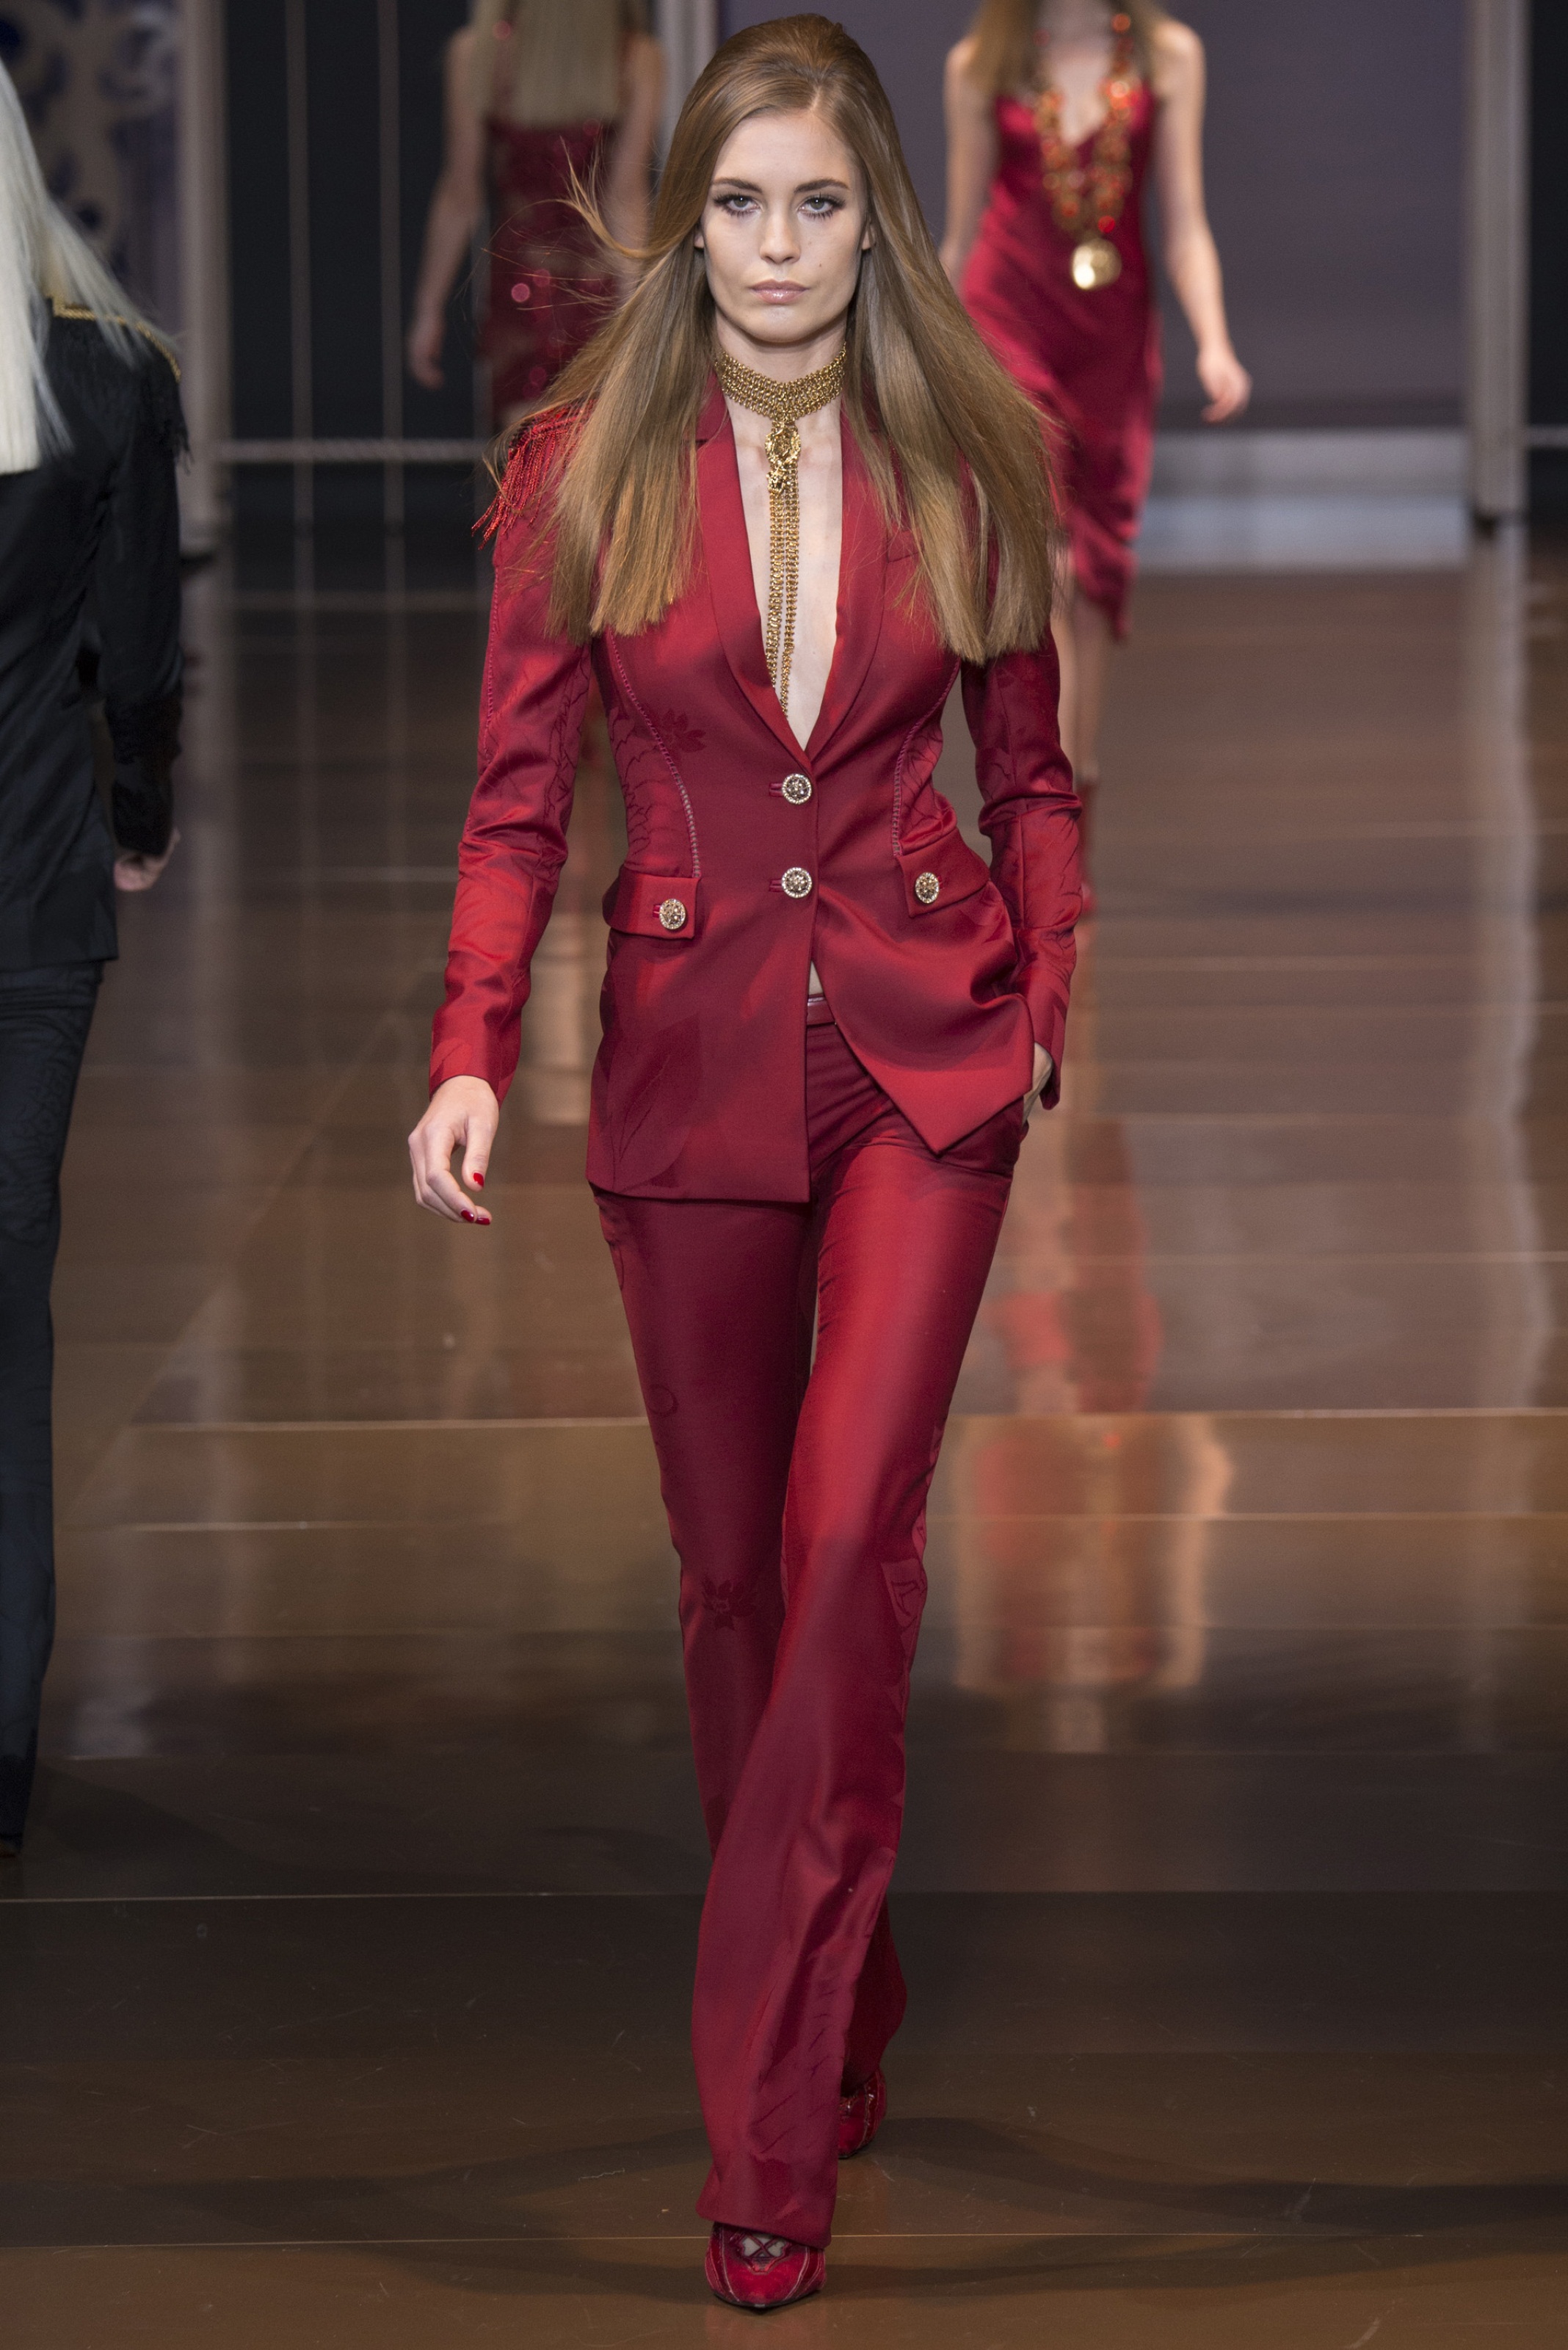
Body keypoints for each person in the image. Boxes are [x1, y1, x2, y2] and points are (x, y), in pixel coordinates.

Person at [409, 13, 1081, 2310]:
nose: (777, 247)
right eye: (737, 204)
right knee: (731, 1591)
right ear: (681, 220)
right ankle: (838, 1975)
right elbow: (518, 798)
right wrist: (470, 1044)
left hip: (919, 1066)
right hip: (687, 1072)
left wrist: (1046, 989)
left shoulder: (971, 448)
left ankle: (767, 2123)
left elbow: (1033, 772)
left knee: (847, 1536)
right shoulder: (578, 463)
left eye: (817, 204)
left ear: (874, 222)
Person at [0, 62, 183, 1858]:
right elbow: (139, 653)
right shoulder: (106, 374)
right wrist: (143, 811)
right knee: (7, 1309)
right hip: (35, 891)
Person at [942, 0, 1249, 871]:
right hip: (1007, 320)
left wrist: (1215, 341)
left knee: (1096, 570)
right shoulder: (982, 63)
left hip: (1112, 335)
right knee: (1045, 563)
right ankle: (1046, 811)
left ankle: (1077, 783)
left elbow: (1185, 222)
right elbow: (960, 235)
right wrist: (920, 357)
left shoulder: (1168, 55)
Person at [407, 0, 664, 423]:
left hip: (519, 293)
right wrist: (638, 312)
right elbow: (624, 198)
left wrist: (428, 310)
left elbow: (460, 195)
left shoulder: (478, 55)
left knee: (527, 454)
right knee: (594, 453)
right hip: (598, 291)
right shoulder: (636, 58)